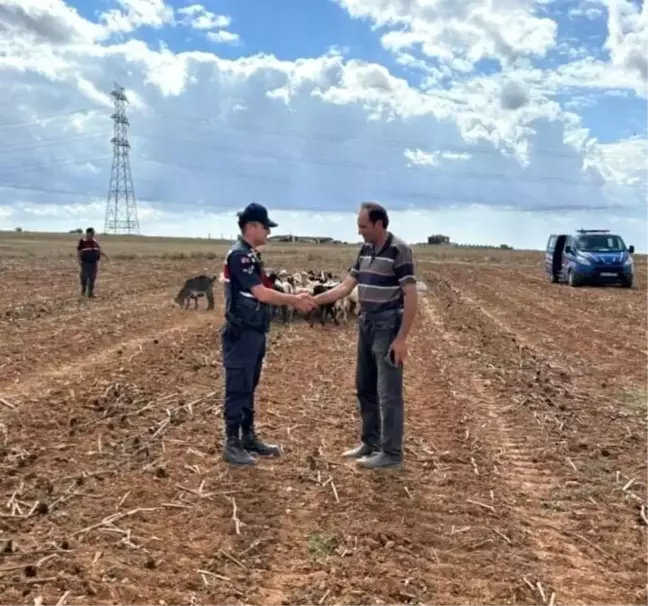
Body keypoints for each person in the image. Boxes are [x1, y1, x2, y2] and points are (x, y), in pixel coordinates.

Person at [312, 202, 418, 469]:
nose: (359, 231)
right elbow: (347, 286)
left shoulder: (399, 250)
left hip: (388, 326)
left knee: (388, 393)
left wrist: (401, 338)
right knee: (365, 387)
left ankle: (391, 454)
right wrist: (313, 300)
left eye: (363, 226)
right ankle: (370, 443)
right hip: (366, 323)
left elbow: (411, 296)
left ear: (379, 224)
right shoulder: (366, 249)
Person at [221, 202, 316, 466]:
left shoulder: (250, 255)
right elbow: (261, 293)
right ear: (251, 227)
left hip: (254, 330)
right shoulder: (240, 256)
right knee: (238, 386)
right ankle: (231, 443)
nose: (268, 233)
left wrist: (293, 296)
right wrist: (294, 300)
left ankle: (248, 437)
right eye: (265, 227)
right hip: (241, 332)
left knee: (249, 385)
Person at [76, 227, 109, 297]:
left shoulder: (95, 242)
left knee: (92, 278)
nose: (93, 234)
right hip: (85, 263)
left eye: (93, 233)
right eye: (92, 233)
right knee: (84, 278)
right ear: (87, 233)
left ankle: (90, 293)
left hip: (94, 263)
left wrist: (106, 256)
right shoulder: (83, 241)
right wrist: (79, 261)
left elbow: (99, 250)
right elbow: (79, 252)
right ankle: (83, 292)